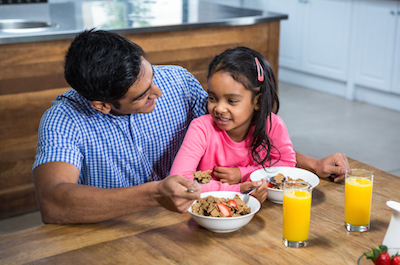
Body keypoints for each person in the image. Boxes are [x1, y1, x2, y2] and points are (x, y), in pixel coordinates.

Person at [32, 29, 348, 224]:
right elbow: (54, 202)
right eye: (143, 95)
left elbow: (235, 129)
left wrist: (308, 165)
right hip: (117, 231)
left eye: (151, 75)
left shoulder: (177, 81)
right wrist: (154, 195)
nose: (158, 91)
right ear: (101, 104)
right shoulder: (64, 120)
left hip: (193, 219)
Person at [169, 47, 296, 203]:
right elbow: (179, 181)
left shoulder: (272, 125)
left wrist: (242, 174)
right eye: (212, 98)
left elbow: (287, 165)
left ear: (258, 101)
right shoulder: (201, 128)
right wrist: (237, 189)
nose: (219, 109)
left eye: (232, 101)